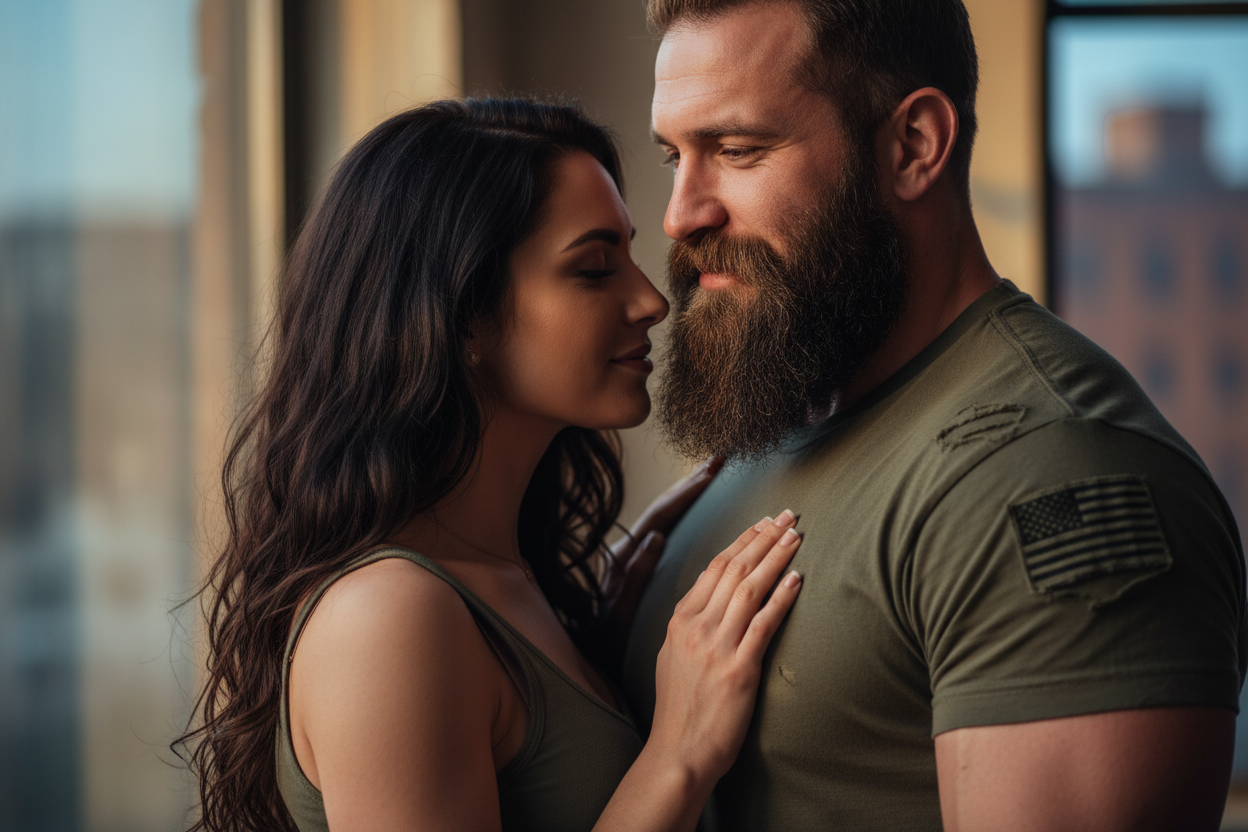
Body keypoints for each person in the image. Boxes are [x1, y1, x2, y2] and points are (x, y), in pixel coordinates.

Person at [621, 1, 1247, 830]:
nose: (681, 213)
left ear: (913, 146)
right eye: (675, 155)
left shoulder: (1057, 476)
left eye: (737, 151)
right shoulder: (783, 414)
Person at [176, 97, 807, 832]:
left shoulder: (509, 586)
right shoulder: (386, 619)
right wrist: (680, 754)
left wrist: (614, 639)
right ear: (463, 317)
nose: (650, 301)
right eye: (595, 269)